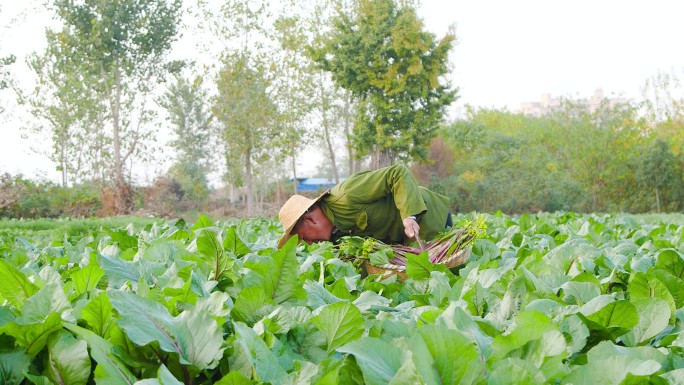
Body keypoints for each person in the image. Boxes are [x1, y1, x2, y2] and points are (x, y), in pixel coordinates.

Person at [278, 164, 452, 248]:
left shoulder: (347, 194)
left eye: (303, 236)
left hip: (430, 217)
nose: (309, 243)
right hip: (407, 241)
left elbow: (397, 173)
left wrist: (409, 217)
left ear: (310, 219)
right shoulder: (336, 238)